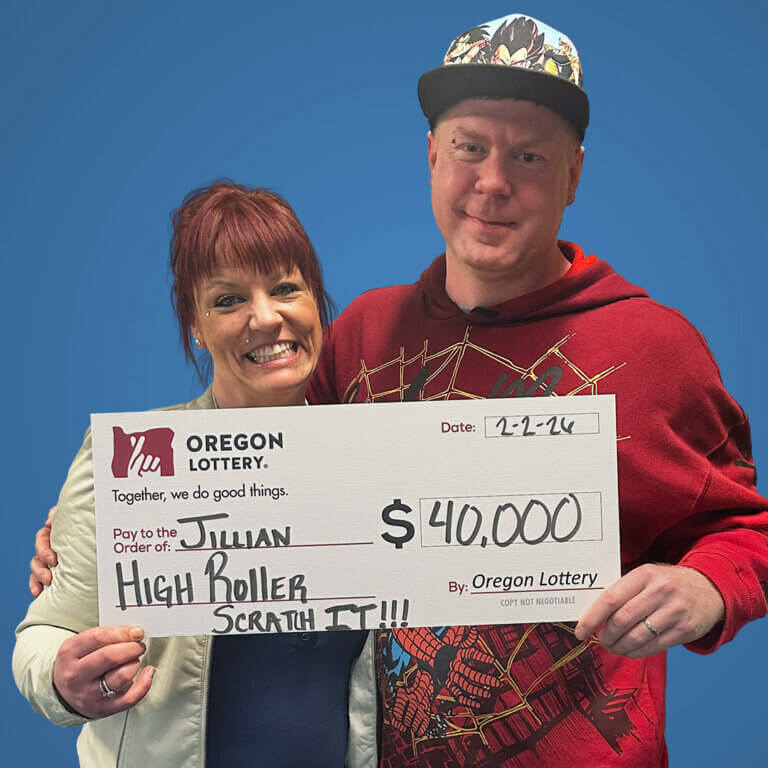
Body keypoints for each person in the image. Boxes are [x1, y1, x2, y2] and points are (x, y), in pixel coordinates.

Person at [27, 12, 768, 768]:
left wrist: (705, 587)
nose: (493, 182)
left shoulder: (655, 347)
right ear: (432, 157)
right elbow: (265, 484)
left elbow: (749, 528)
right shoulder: (364, 334)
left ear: (573, 174)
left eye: (529, 156)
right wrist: (105, 525)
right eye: (469, 148)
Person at [14, 182, 369, 768]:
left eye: (286, 288)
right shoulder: (133, 463)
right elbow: (45, 633)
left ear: (316, 302)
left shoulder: (375, 462)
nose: (266, 317)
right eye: (228, 300)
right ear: (195, 326)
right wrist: (60, 676)